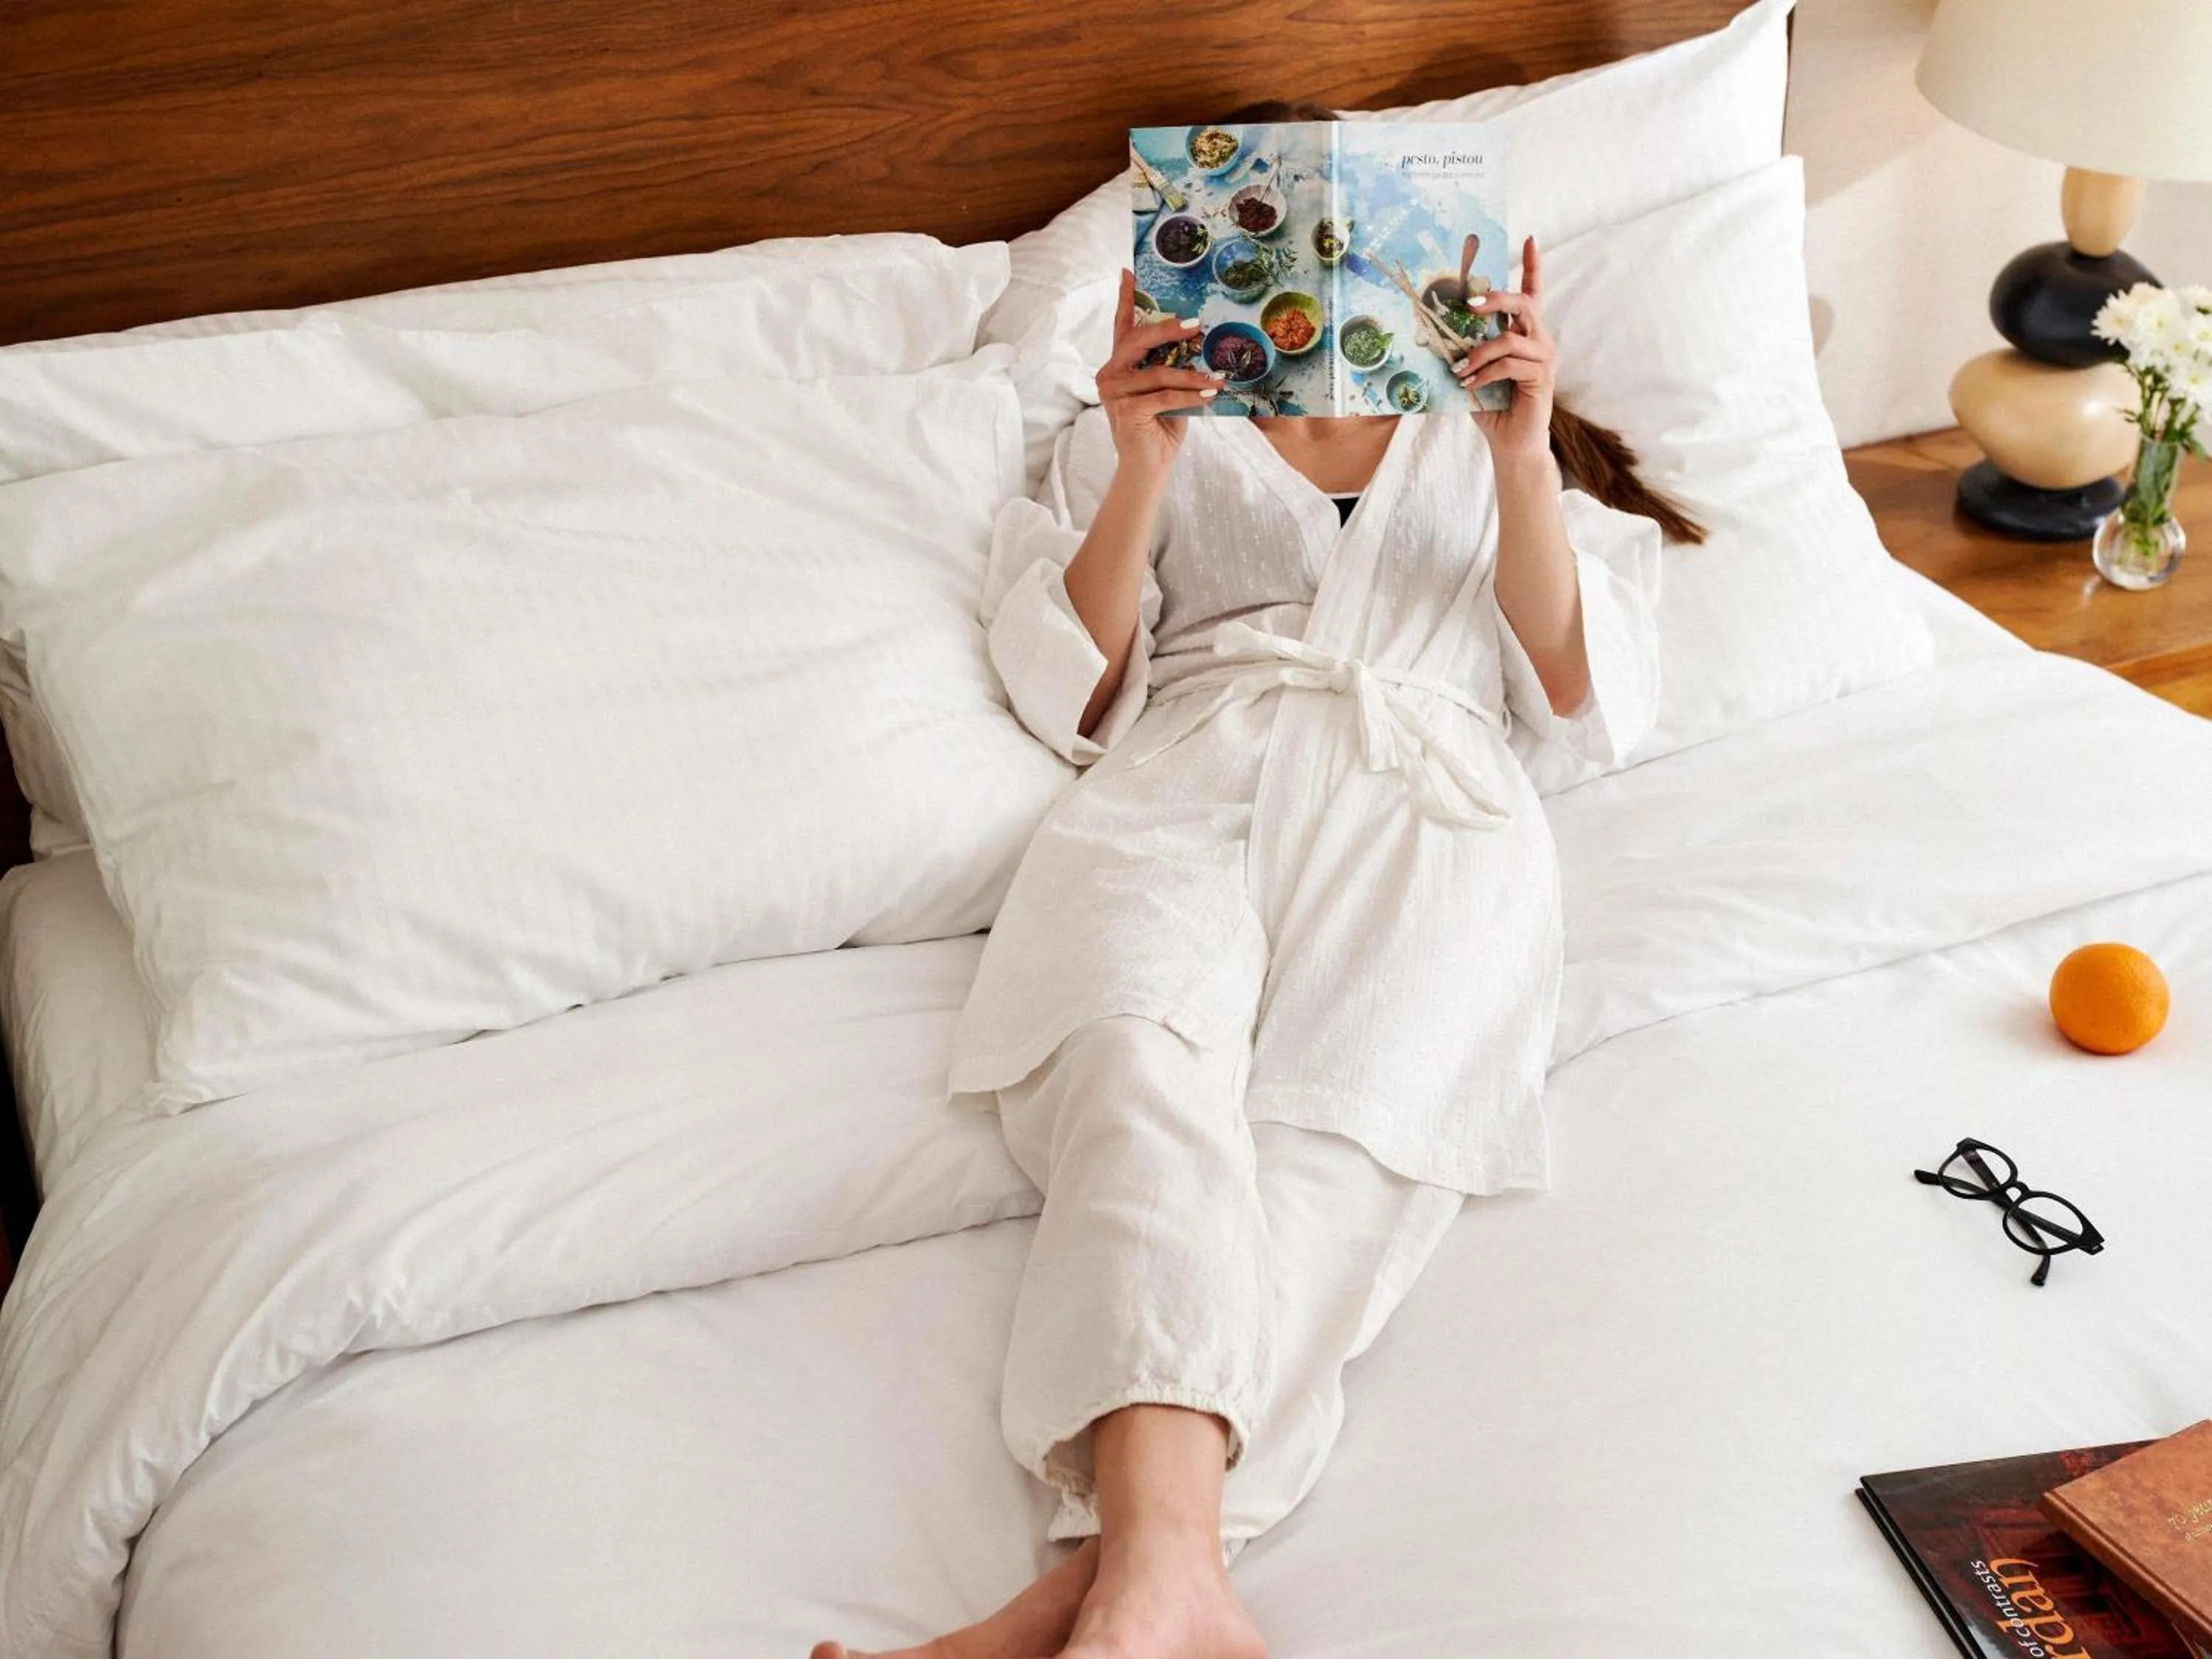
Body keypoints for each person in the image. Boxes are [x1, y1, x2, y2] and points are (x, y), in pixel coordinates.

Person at [815, 199, 1698, 1659]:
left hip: (1431, 806)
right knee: (1133, 1084)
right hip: (1185, 779)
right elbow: (1070, 688)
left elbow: (1576, 691)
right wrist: (1143, 465)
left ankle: (1106, 1590)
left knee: (1328, 1156)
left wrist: (1520, 453)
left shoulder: (1496, 437)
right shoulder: (1137, 420)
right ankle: (1163, 1593)